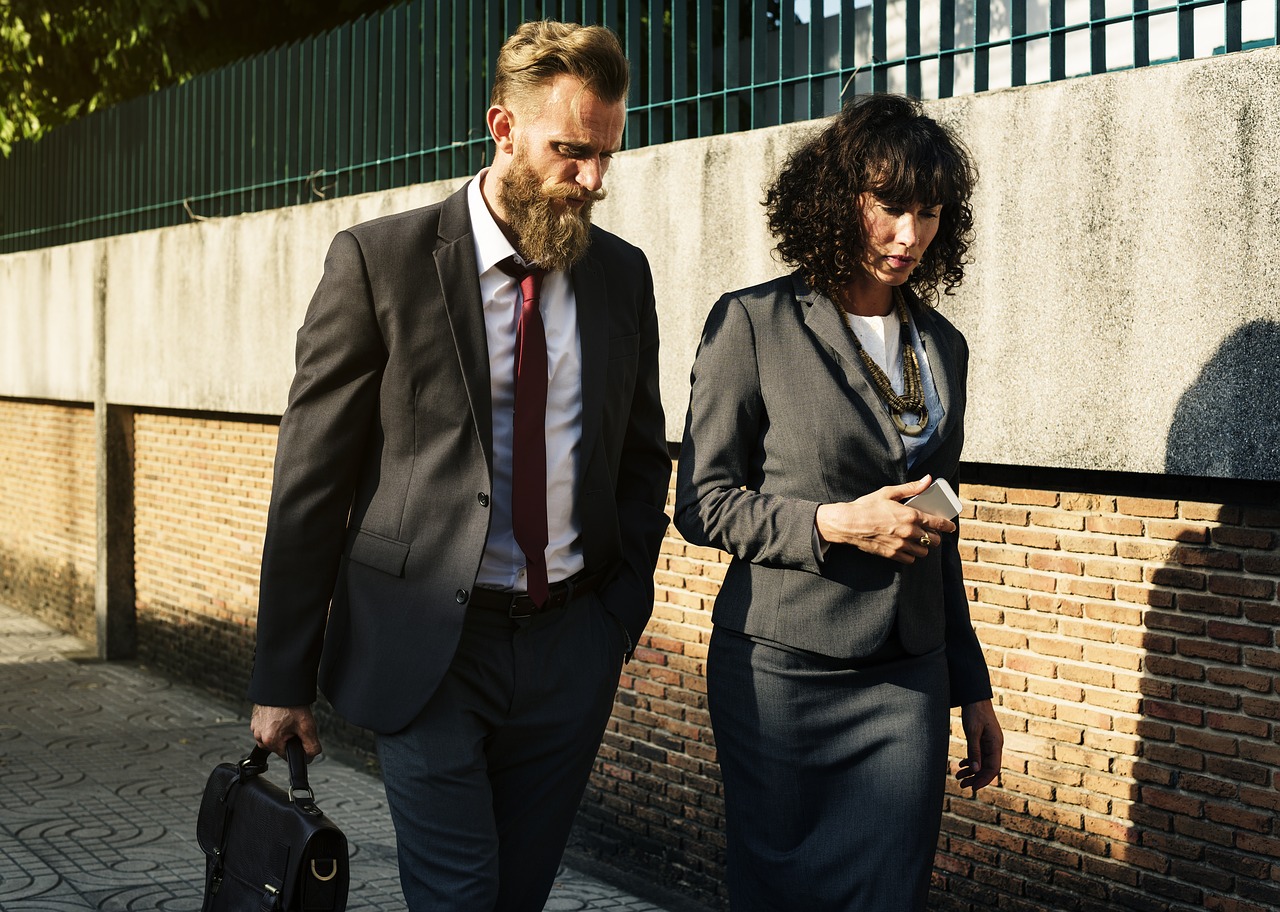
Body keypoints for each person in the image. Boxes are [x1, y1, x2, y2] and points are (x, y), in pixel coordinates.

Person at [246, 20, 670, 912]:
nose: (592, 180)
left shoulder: (620, 277)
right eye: (571, 152)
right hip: (430, 650)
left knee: (516, 895)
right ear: (501, 127)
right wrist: (282, 679)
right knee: (460, 897)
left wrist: (615, 620)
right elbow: (311, 482)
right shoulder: (380, 263)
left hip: (570, 647)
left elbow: (638, 459)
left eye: (605, 155)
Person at [674, 93, 1003, 911]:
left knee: (890, 894)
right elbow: (702, 502)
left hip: (909, 680)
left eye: (929, 214)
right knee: (778, 892)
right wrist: (831, 523)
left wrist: (973, 686)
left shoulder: (944, 347)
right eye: (891, 209)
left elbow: (942, 529)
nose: (910, 236)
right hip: (783, 671)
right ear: (838, 201)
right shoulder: (753, 323)